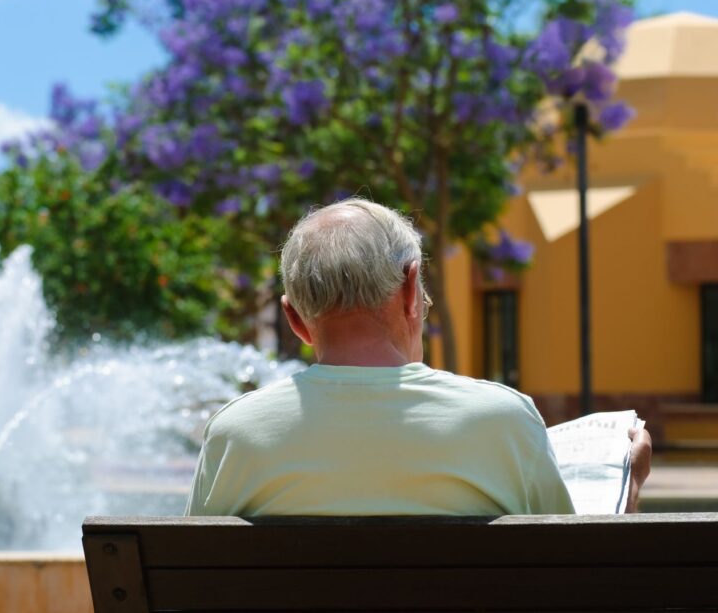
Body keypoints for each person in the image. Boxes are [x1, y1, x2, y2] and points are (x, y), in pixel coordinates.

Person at [186, 198, 651, 516]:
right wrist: (625, 492)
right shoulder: (503, 420)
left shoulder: (235, 433)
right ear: (411, 289)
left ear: (296, 321)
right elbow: (573, 576)